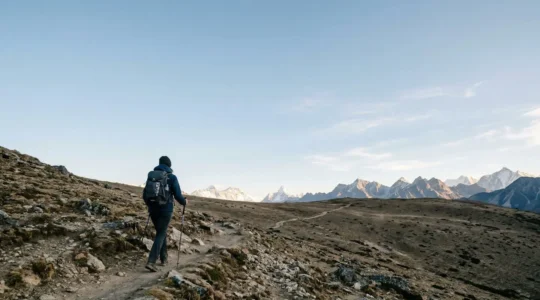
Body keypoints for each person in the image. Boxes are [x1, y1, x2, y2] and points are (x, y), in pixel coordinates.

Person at [143, 156, 187, 272]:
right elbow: (177, 195)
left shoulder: (152, 177)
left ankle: (164, 258)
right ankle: (151, 261)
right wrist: (184, 202)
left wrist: (150, 205)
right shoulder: (172, 177)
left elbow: (145, 194)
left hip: (153, 210)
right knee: (161, 233)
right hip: (165, 210)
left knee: (160, 232)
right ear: (169, 165)